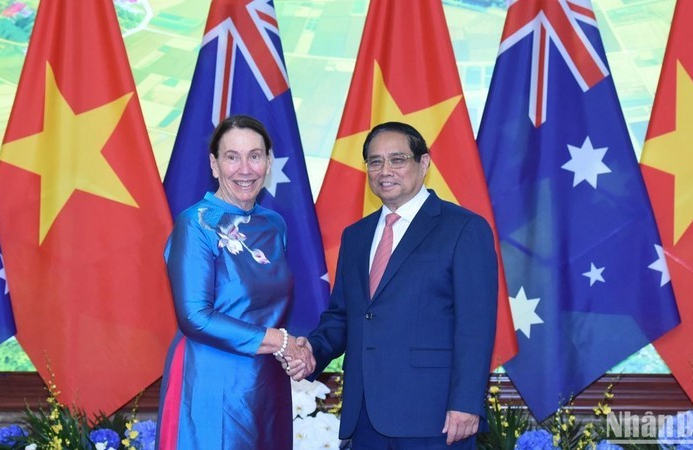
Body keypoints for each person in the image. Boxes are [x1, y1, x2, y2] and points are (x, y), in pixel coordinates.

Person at [292, 121, 498, 449]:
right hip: (364, 418)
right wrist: (313, 351)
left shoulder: (464, 228)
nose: (385, 170)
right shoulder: (356, 236)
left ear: (424, 163)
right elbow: (343, 317)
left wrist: (466, 402)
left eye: (397, 159)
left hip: (435, 417)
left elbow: (476, 325)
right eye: (375, 161)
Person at [155, 114, 314, 449]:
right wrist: (280, 341)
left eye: (255, 156)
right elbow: (195, 316)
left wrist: (290, 350)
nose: (245, 169)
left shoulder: (275, 224)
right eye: (232, 157)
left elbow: (273, 309)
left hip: (267, 379)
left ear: (268, 163)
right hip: (211, 378)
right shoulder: (196, 224)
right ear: (214, 165)